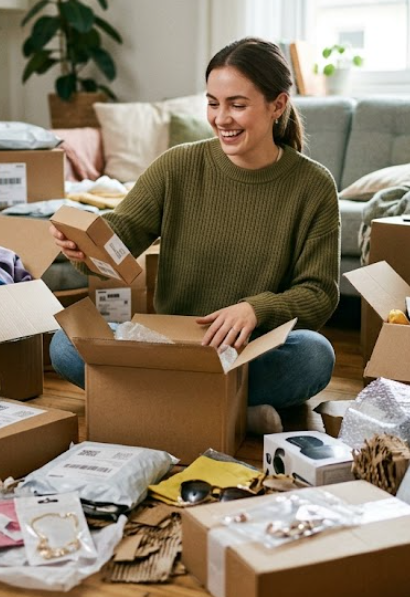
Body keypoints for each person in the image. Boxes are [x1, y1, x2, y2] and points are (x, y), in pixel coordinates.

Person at [49, 37, 340, 434]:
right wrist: (82, 242)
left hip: (248, 351)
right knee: (64, 344)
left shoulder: (313, 185)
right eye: (212, 103)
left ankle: (158, 402)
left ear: (278, 105)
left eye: (237, 105)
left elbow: (320, 293)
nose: (222, 118)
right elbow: (122, 234)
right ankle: (230, 408)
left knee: (314, 355)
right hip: (169, 345)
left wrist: (256, 309)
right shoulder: (178, 165)